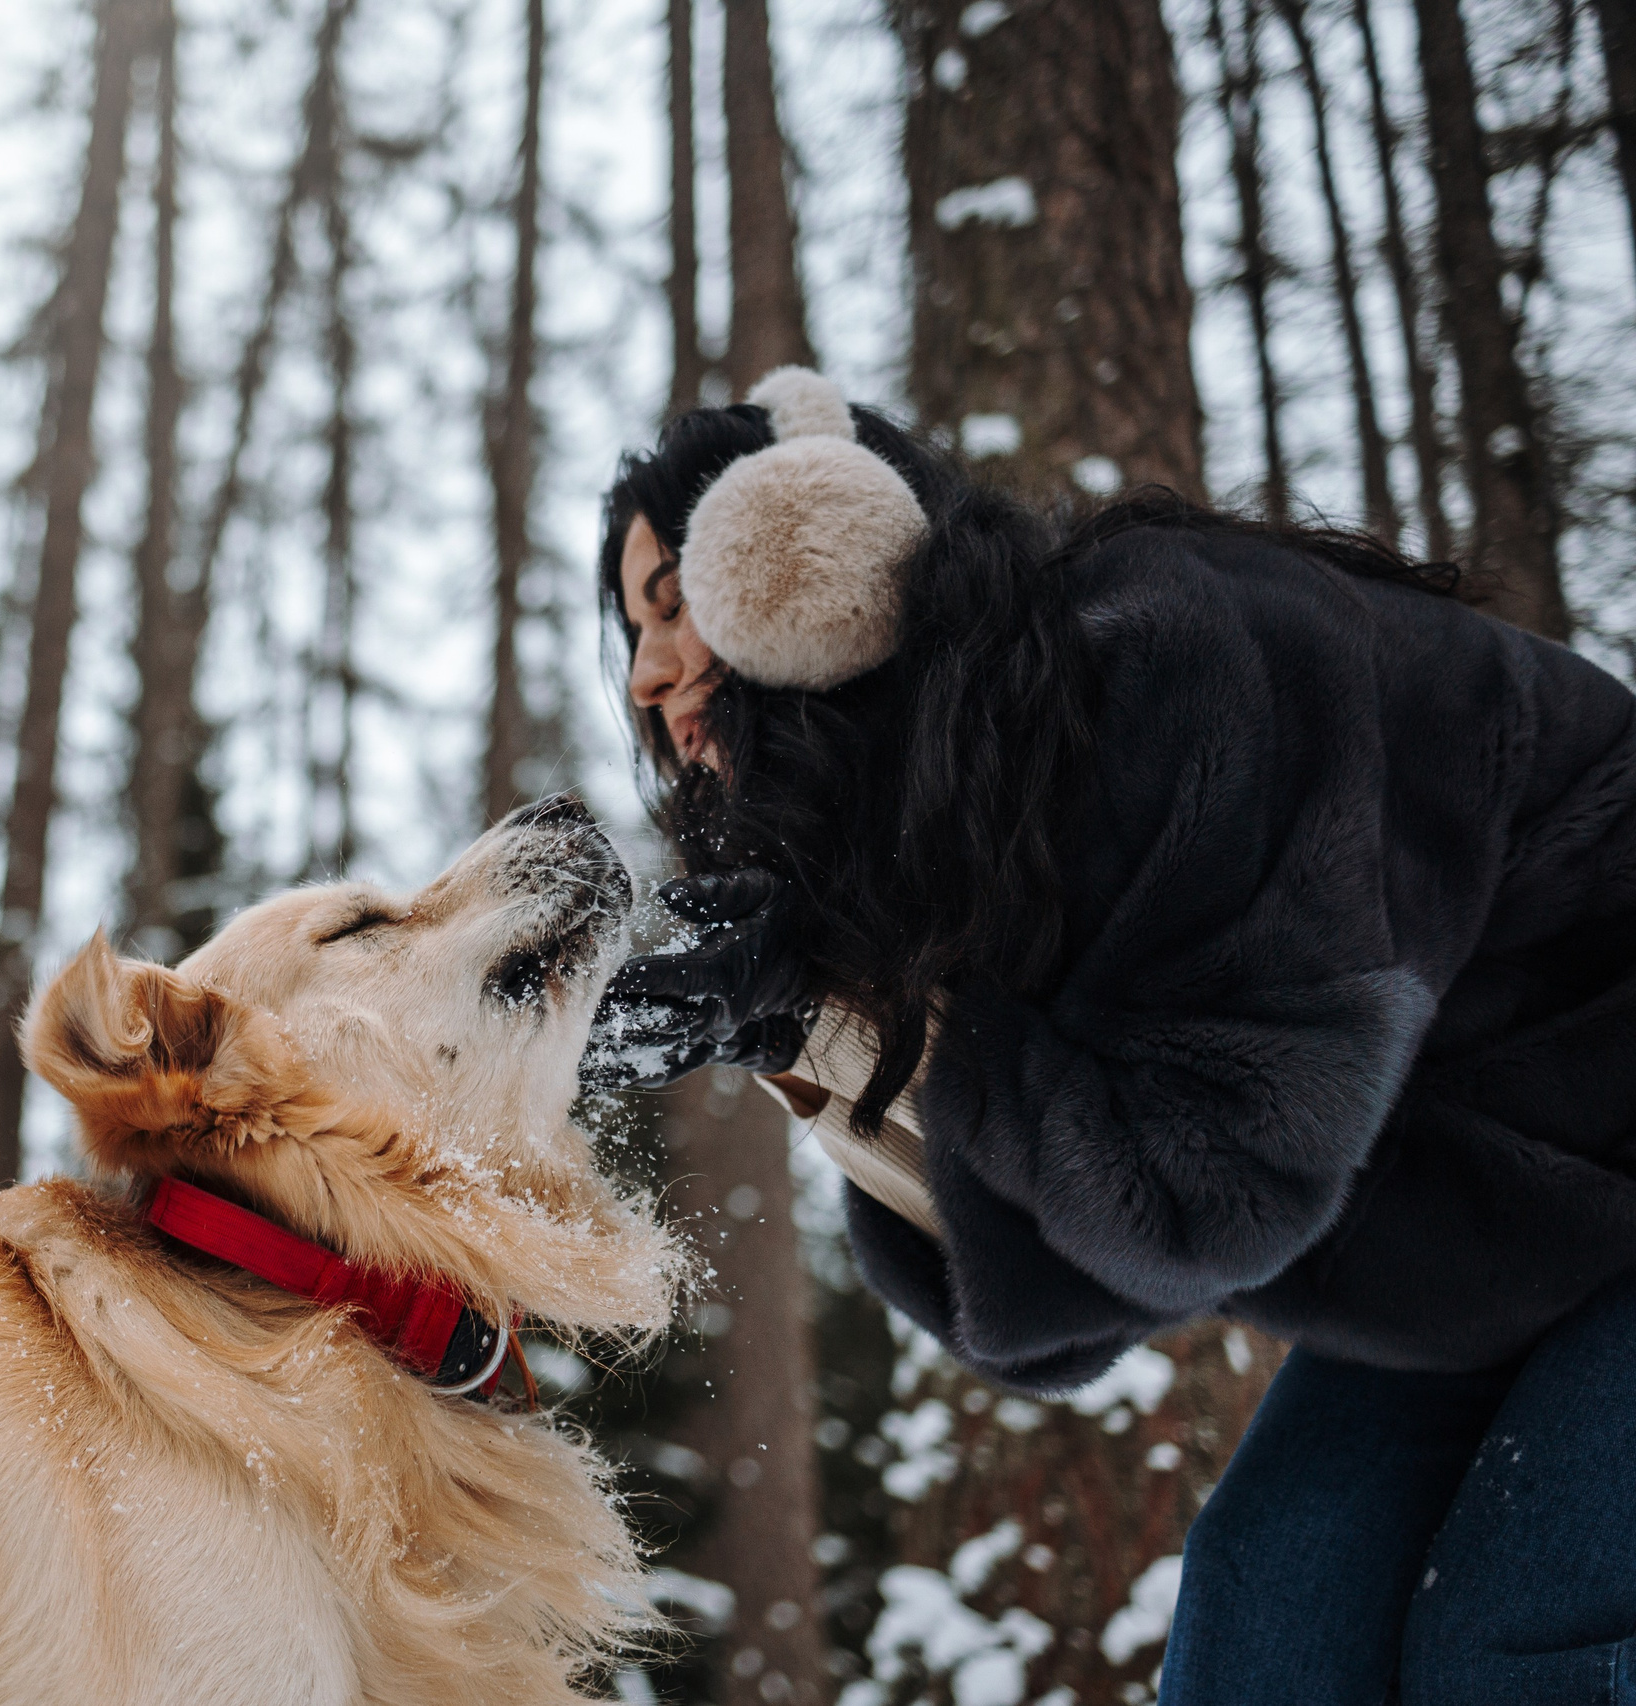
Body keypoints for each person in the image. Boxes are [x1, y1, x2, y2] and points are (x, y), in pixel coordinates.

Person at [581, 368, 1636, 1704]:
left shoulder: (1174, 663)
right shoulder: (953, 861)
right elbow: (1047, 1312)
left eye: (675, 600)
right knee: (1266, 1610)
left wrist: (837, 1014)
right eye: (634, 633)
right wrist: (818, 1034)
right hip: (1536, 1249)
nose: (652, 676)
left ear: (817, 539)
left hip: (1587, 1208)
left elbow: (1209, 1188)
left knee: (1519, 1634)